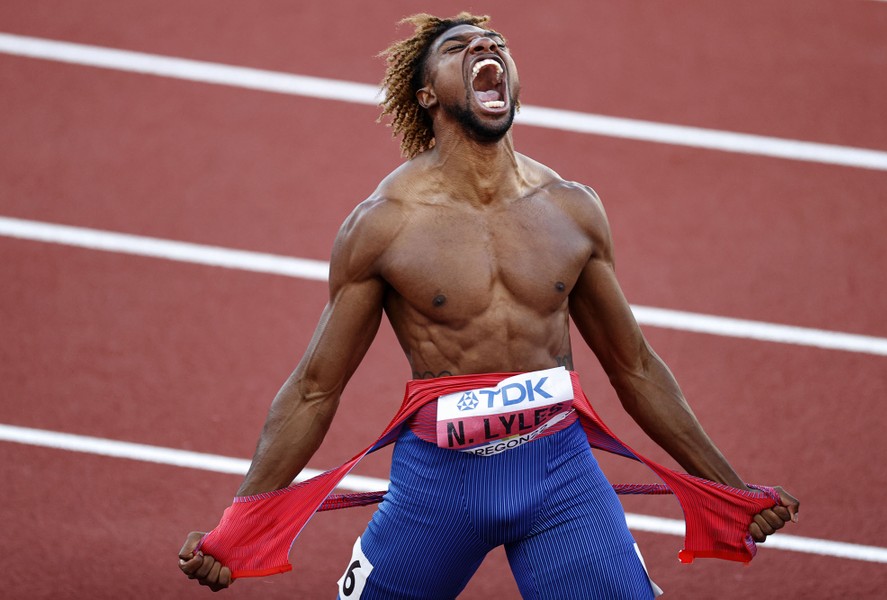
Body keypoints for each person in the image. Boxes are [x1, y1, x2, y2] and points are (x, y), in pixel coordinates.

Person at [179, 12, 799, 598]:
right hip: (437, 489)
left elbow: (634, 366)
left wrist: (726, 485)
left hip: (562, 479)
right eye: (458, 47)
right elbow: (316, 389)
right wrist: (241, 521)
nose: (485, 47)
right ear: (427, 95)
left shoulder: (570, 210)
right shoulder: (385, 226)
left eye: (496, 42)